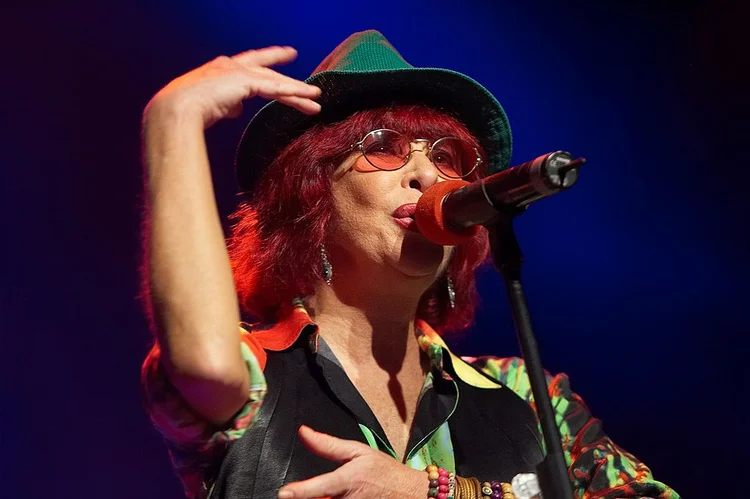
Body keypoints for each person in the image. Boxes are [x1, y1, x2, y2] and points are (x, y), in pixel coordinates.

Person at [139, 30, 679, 499]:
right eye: (386, 147)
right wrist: (174, 118)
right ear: (312, 197)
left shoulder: (527, 396)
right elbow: (204, 365)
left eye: (447, 158)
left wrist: (432, 490)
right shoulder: (251, 367)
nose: (427, 174)